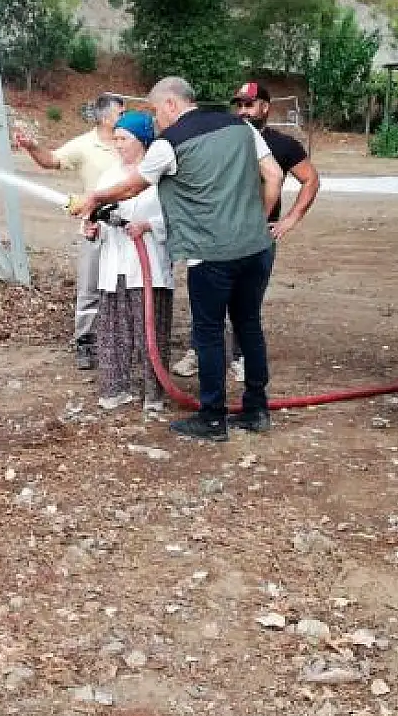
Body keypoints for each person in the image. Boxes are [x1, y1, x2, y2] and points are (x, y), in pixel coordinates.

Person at [69, 77, 283, 442]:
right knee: (249, 325)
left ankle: (213, 418)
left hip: (210, 255)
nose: (154, 121)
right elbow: (275, 177)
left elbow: (132, 186)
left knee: (210, 333)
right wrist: (255, 226)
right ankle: (256, 409)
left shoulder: (170, 143)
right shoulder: (241, 126)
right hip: (256, 249)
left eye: (155, 111)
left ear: (171, 103)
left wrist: (93, 199)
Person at [170, 81, 320, 379]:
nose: (242, 111)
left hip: (258, 235)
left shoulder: (282, 144)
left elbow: (311, 179)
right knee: (207, 297)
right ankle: (198, 351)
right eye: (238, 105)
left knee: (247, 302)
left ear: (265, 107)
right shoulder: (221, 138)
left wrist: (289, 219)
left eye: (248, 105)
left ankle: (239, 357)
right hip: (217, 231)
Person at [12, 95, 126, 369]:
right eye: (120, 113)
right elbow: (51, 161)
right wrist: (31, 146)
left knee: (125, 286)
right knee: (90, 286)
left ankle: (120, 340)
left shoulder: (131, 143)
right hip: (95, 227)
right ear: (104, 117)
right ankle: (85, 341)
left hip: (128, 228)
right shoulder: (85, 145)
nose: (125, 117)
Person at [89, 132, 173, 413]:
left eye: (124, 138)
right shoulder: (108, 176)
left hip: (149, 264)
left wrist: (148, 225)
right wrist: (92, 229)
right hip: (115, 265)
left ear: (141, 141)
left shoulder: (160, 175)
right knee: (112, 328)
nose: (118, 144)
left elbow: (178, 215)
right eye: (116, 139)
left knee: (150, 329)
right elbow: (96, 213)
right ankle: (116, 389)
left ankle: (154, 394)